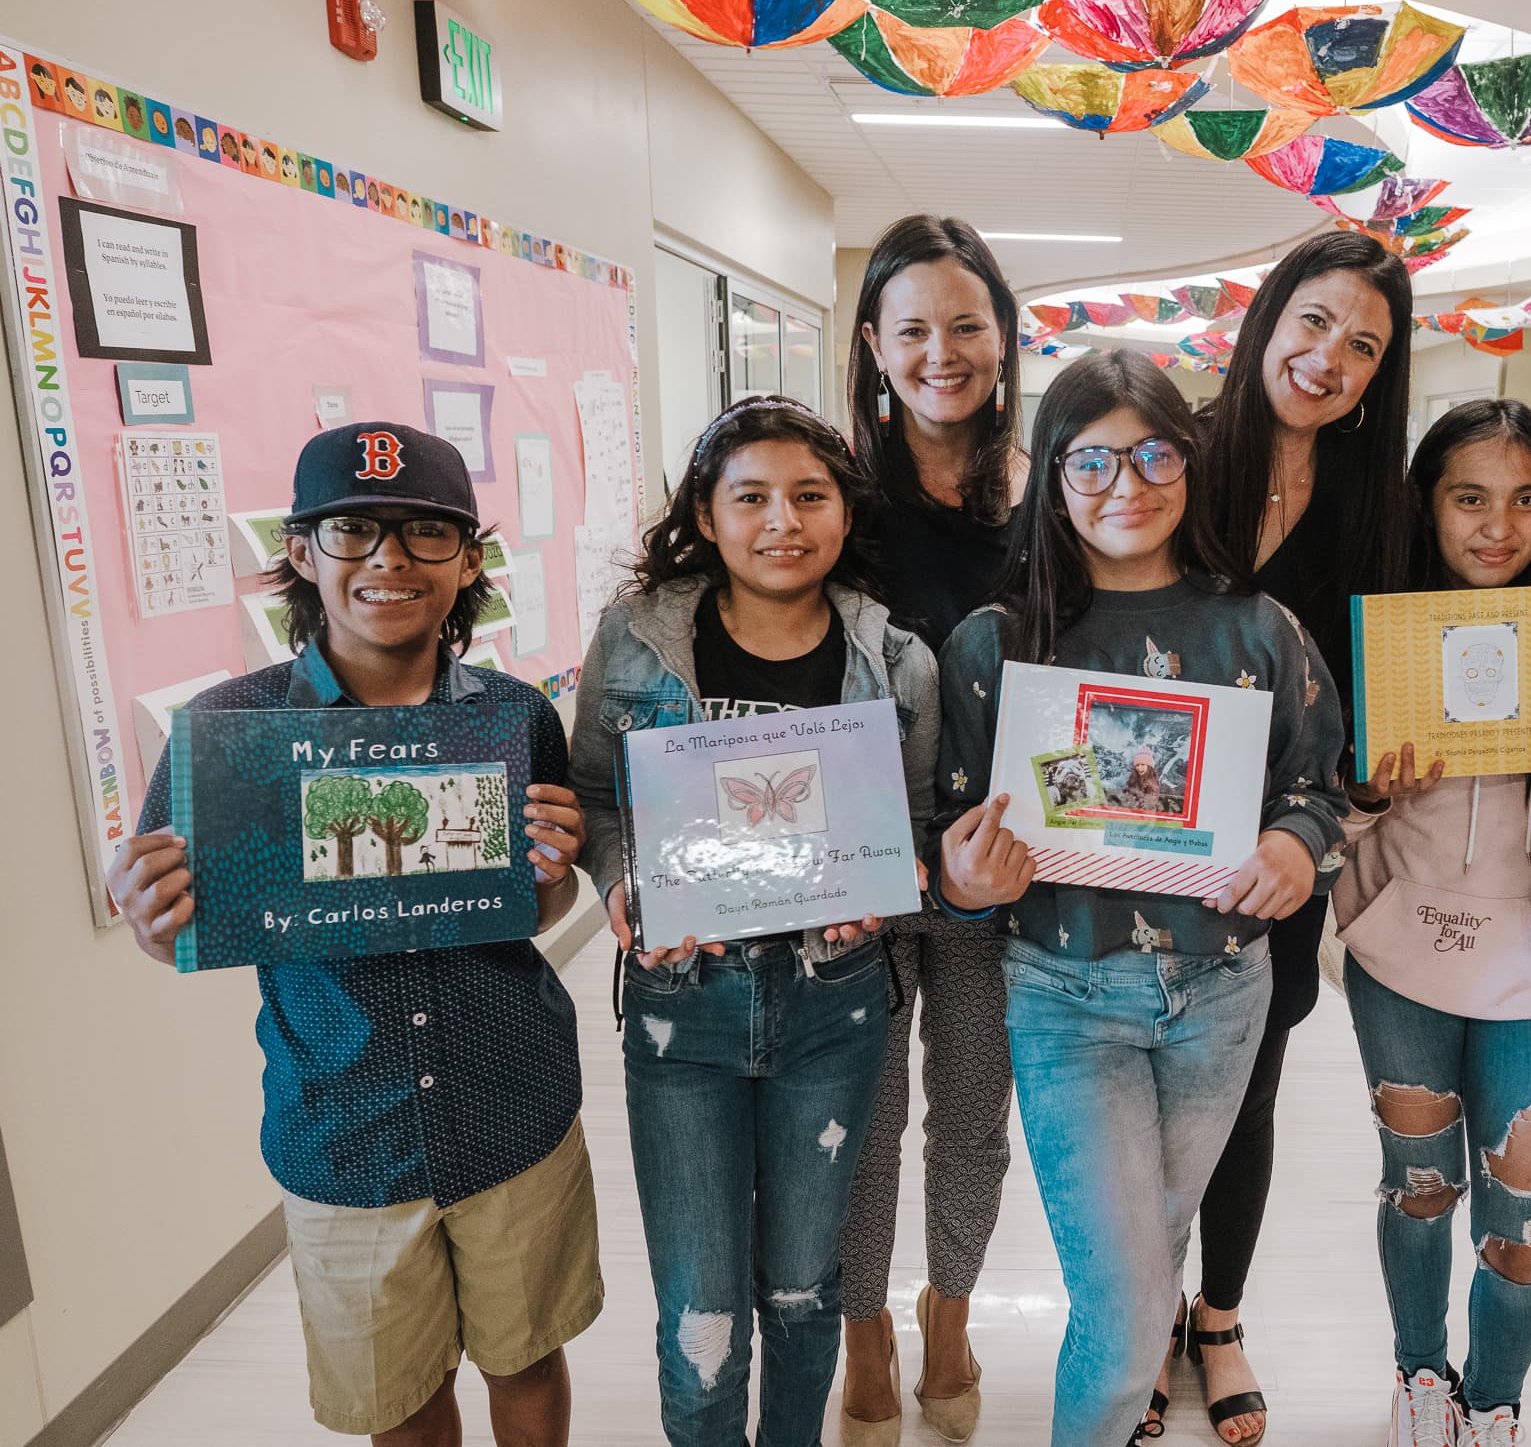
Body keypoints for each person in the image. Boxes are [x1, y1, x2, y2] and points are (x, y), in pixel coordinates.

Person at [106, 423, 599, 1446]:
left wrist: (554, 874)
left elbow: (533, 911)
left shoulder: (514, 720)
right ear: (301, 553)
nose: (388, 560)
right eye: (353, 531)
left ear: (469, 561)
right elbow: (185, 931)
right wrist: (152, 920)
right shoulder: (228, 736)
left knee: (526, 1358)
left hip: (513, 1102)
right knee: (398, 1401)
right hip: (344, 1124)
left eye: (426, 532)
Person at [930, 350, 1349, 1447]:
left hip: (1222, 993)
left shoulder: (1259, 630)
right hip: (1064, 996)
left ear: (1191, 460)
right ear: (1051, 475)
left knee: (1150, 1259)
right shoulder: (993, 644)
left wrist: (1298, 847)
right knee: (1122, 1320)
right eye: (1095, 460)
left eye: (1156, 452)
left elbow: (1317, 789)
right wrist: (964, 881)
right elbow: (956, 832)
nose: (1129, 483)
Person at [567, 396, 937, 1447]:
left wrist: (888, 883)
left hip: (837, 1009)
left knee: (804, 1295)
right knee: (701, 1309)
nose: (783, 520)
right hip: (682, 1014)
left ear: (845, 513)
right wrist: (625, 881)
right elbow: (598, 797)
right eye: (752, 497)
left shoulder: (897, 660)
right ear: (707, 513)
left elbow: (913, 825)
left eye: (809, 496)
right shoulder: (634, 642)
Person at [1164, 231, 1416, 1445]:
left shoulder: (1380, 514)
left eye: (1363, 345)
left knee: (1248, 1090)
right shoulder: (1170, 460)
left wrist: (1372, 775)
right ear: (1267, 317)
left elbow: (1377, 701)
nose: (1329, 357)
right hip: (1143, 840)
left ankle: (1216, 1319)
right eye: (1315, 322)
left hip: (1282, 856)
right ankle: (1136, 1309)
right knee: (1142, 1094)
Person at [1335, 400, 1531, 1447]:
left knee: (1530, 1219)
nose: (1497, 526)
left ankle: (1493, 1403)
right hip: (1401, 946)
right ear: (1428, 506)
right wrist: (1359, 790)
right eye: (1469, 498)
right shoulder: (1380, 622)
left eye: (1524, 499)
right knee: (1419, 1186)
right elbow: (1319, 801)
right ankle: (1420, 1373)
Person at [837, 214, 1025, 1445]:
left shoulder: (1046, 500)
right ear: (873, 345)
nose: (941, 353)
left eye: (966, 325)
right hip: (852, 864)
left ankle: (948, 1309)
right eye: (913, 329)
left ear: (1004, 342)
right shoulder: (835, 500)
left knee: (971, 1109)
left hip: (1002, 864)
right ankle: (865, 1334)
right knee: (859, 1117)